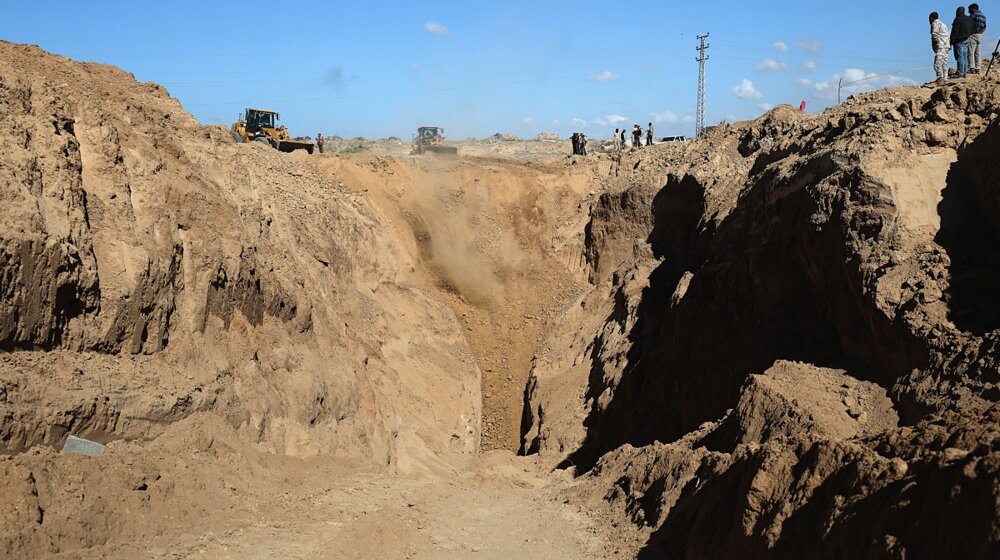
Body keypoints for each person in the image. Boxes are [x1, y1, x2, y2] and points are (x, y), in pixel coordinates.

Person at [952, 6, 975, 78]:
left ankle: (960, 72)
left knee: (960, 57)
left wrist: (951, 41)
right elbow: (973, 28)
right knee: (965, 56)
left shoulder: (957, 19)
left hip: (959, 40)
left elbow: (954, 31)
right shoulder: (969, 19)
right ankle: (964, 72)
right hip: (967, 39)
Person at [931, 12, 951, 85]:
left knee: (937, 64)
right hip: (946, 46)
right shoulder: (944, 24)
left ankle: (940, 78)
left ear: (931, 18)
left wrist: (936, 43)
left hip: (941, 46)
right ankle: (945, 79)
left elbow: (934, 34)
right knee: (944, 64)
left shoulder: (935, 23)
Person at [970, 4, 988, 73]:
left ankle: (972, 67)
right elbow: (985, 26)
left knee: (971, 51)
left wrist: (971, 32)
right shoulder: (983, 16)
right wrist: (981, 32)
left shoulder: (973, 15)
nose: (969, 11)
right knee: (978, 52)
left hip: (973, 34)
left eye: (970, 9)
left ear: (973, 9)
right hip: (980, 34)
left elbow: (969, 24)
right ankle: (978, 67)